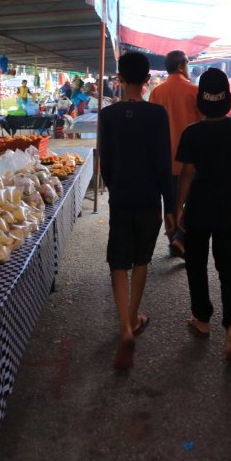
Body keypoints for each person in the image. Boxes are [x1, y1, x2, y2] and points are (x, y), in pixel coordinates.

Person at [97, 52, 175, 371]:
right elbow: (163, 163)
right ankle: (133, 317)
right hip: (148, 197)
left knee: (118, 259)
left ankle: (125, 328)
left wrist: (114, 186)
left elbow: (107, 160)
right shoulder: (157, 115)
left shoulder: (108, 115)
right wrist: (170, 206)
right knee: (142, 257)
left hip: (121, 196)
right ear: (147, 80)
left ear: (120, 78)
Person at [175, 68, 231, 363]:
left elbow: (187, 173)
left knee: (196, 265)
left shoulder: (192, 133)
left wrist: (178, 206)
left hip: (197, 210)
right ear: (228, 99)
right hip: (228, 210)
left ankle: (202, 319)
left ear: (200, 100)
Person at [149, 50, 200, 258]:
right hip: (190, 159)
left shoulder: (157, 92)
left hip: (164, 159)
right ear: (181, 66)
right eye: (187, 64)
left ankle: (174, 238)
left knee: (169, 200)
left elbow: (150, 126)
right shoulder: (193, 90)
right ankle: (181, 238)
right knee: (190, 201)